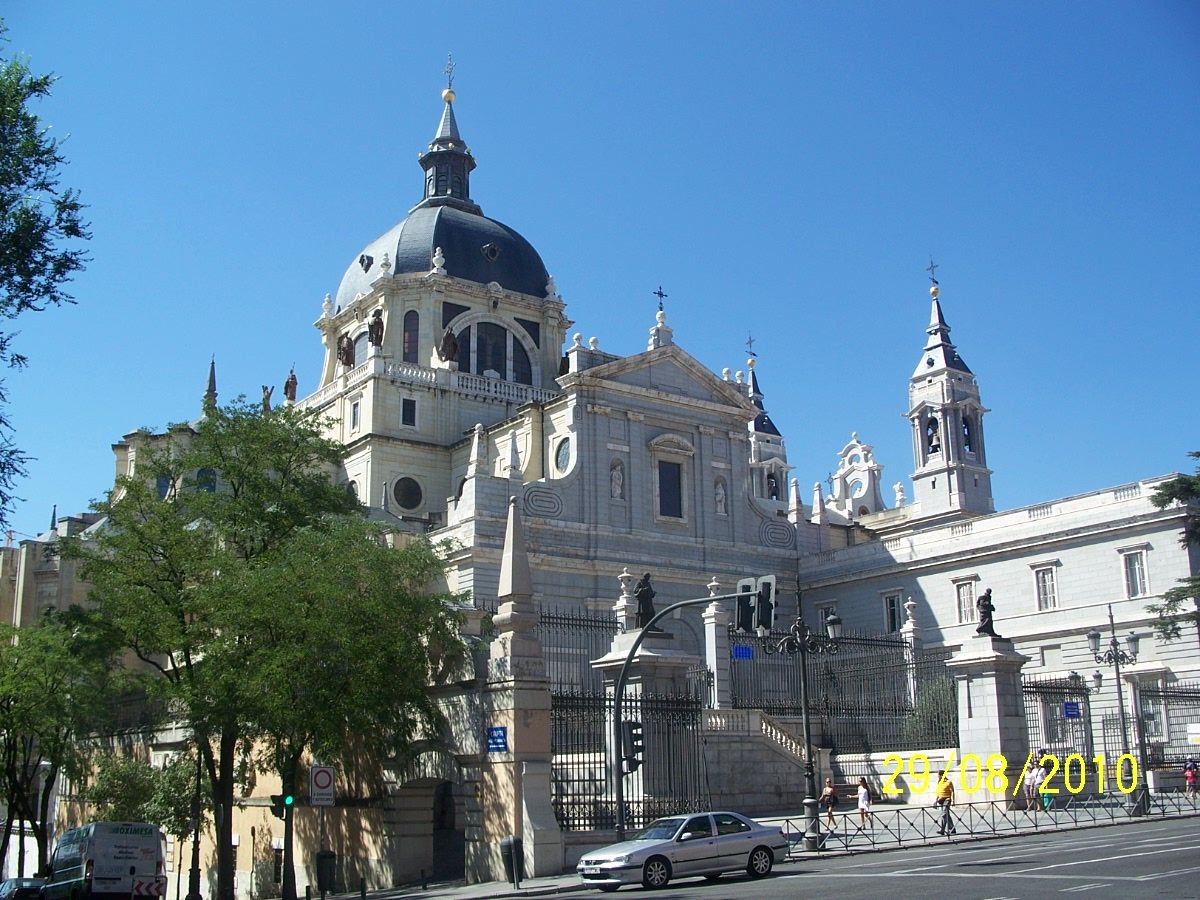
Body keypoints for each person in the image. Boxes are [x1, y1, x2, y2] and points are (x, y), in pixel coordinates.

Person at [934, 770, 955, 835]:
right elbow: (938, 792)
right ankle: (952, 829)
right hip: (941, 800)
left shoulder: (949, 782)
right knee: (947, 815)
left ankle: (942, 830)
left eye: (938, 775)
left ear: (942, 775)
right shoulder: (939, 782)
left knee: (944, 814)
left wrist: (953, 801)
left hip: (947, 799)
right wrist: (936, 800)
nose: (937, 776)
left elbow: (952, 792)